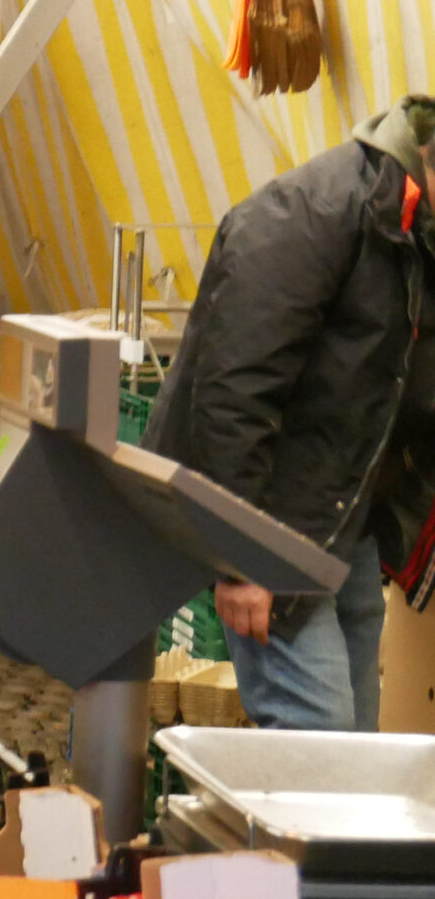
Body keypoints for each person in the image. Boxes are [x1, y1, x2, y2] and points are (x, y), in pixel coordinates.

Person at [140, 99, 435, 733]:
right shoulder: (313, 213)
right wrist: (240, 560)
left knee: (354, 754)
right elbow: (233, 392)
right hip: (269, 528)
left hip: (341, 523)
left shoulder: (419, 231)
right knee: (318, 749)